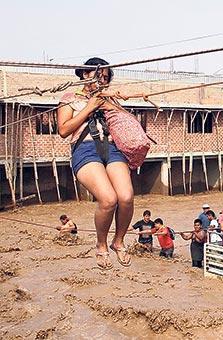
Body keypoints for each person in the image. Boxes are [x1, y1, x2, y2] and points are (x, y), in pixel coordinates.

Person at [57, 57, 133, 270]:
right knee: (108, 199)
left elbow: (125, 122)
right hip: (85, 149)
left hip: (112, 148)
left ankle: (118, 241)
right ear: (84, 74)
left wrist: (112, 102)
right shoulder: (69, 97)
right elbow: (64, 130)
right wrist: (89, 107)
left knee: (126, 197)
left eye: (106, 78)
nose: (102, 80)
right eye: (98, 75)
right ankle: (101, 245)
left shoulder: (108, 98)